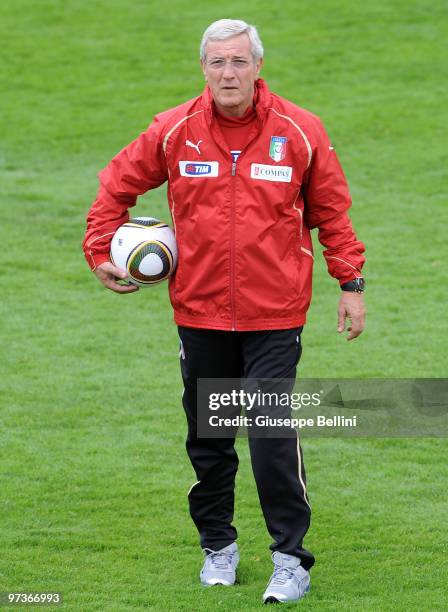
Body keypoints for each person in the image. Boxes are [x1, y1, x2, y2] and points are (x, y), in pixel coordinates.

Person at [82, 19, 366, 604]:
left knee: (269, 435)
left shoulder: (300, 131)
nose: (227, 73)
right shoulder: (174, 130)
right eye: (217, 62)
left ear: (258, 67)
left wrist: (351, 282)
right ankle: (219, 547)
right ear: (203, 68)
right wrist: (99, 249)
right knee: (209, 441)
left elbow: (332, 212)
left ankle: (290, 558)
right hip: (201, 312)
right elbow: (116, 186)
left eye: (238, 61)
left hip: (275, 315)